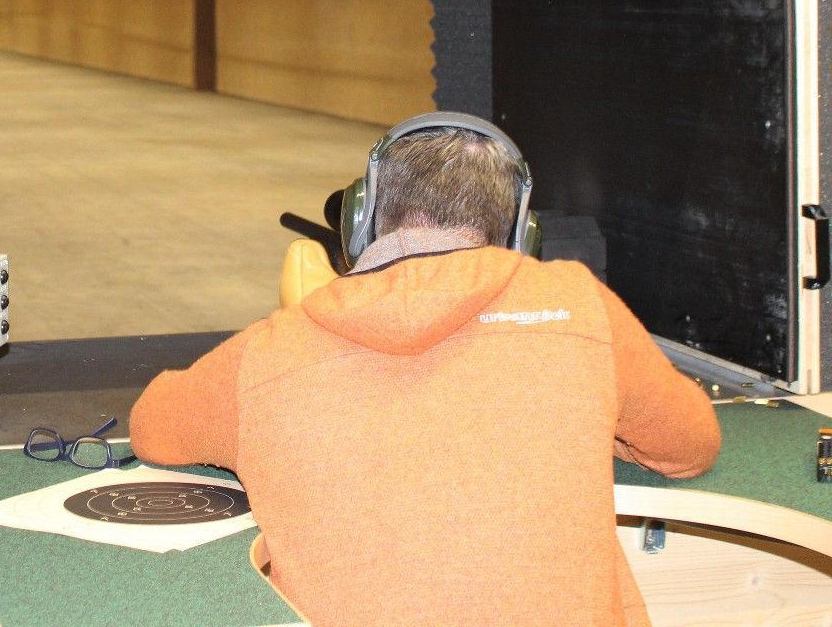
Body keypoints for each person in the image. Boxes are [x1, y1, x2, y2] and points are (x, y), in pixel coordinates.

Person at [129, 114, 721, 627]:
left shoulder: (270, 350)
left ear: (361, 221)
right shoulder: (579, 303)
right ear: (521, 233)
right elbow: (690, 443)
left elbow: (153, 426)